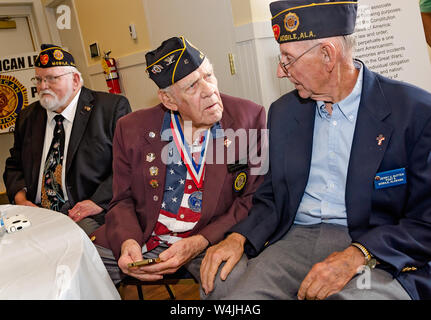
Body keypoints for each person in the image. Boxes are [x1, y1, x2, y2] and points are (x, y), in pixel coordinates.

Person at [201, 0, 431, 300]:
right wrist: (238, 236)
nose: (281, 72)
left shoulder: (413, 112)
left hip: (376, 245)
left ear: (327, 55)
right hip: (298, 237)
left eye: (288, 59)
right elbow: (271, 194)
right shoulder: (284, 113)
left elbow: (425, 219)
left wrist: (358, 254)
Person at [91, 36, 266, 299]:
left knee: (235, 286)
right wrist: (127, 241)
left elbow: (254, 196)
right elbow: (122, 200)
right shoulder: (131, 129)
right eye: (193, 86)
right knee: (75, 269)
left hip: (208, 238)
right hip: (144, 235)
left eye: (209, 75)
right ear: (169, 100)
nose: (209, 90)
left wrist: (200, 241)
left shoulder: (248, 118)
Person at [3, 44, 132, 235]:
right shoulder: (28, 117)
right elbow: (14, 165)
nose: (42, 87)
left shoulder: (110, 109)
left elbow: (129, 164)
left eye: (51, 79)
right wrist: (21, 198)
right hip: (35, 212)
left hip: (85, 213)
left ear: (75, 80)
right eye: (38, 79)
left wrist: (97, 202)